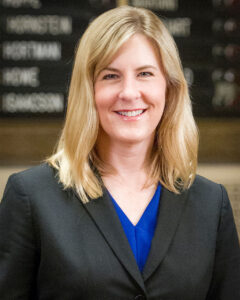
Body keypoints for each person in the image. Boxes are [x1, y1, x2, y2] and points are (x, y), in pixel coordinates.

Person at [0, 5, 239, 300]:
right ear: (88, 90)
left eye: (145, 73)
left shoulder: (211, 204)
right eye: (111, 76)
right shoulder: (30, 196)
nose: (128, 92)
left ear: (170, 87)